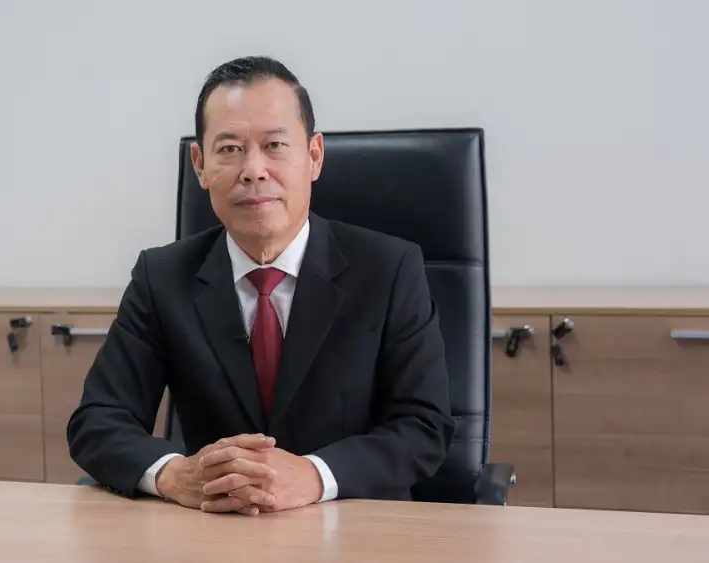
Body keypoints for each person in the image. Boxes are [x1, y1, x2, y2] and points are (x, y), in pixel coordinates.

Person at [67, 55, 455, 516]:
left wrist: (314, 475)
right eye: (230, 149)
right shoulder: (162, 277)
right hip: (215, 528)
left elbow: (424, 427)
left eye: (274, 145)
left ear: (314, 156)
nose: (253, 170)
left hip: (356, 525)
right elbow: (98, 421)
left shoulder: (389, 270)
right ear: (200, 165)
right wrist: (174, 474)